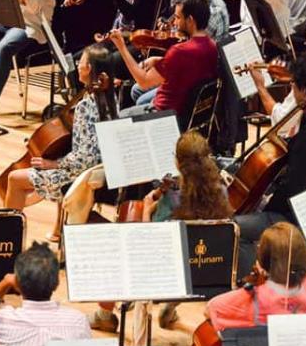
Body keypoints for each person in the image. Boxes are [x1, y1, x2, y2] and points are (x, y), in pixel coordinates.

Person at [91, 131, 233, 333]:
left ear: (178, 162)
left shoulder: (172, 202)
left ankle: (104, 316)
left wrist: (148, 207)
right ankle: (170, 312)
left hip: (166, 281)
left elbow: (150, 241)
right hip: (206, 278)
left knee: (118, 245)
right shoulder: (222, 191)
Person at [177, 222, 306, 346]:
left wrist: (259, 277)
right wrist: (292, 256)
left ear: (264, 260)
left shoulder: (257, 296)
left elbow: (212, 308)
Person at [235, 53, 306, 274]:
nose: (292, 91)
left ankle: (258, 286)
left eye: (294, 87)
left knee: (233, 229)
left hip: (304, 220)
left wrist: (265, 203)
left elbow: (293, 190)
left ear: (305, 91)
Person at [2, 44, 116, 209]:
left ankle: (8, 232)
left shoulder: (86, 106)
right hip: (101, 172)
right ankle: (57, 230)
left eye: (80, 62)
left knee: (15, 178)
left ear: (89, 68)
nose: (77, 65)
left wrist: (54, 164)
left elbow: (85, 159)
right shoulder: (112, 100)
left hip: (81, 177)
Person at [0, 241, 90, 346]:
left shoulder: (1, 320)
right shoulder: (78, 321)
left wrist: (5, 282)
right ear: (57, 283)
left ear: (17, 284)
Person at [109, 0, 218, 116]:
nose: (175, 23)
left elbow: (143, 81)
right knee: (137, 93)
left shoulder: (179, 51)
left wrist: (122, 47)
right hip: (189, 109)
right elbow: (190, 64)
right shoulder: (212, 45)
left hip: (165, 114)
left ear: (190, 20)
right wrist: (158, 60)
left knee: (119, 116)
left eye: (177, 18)